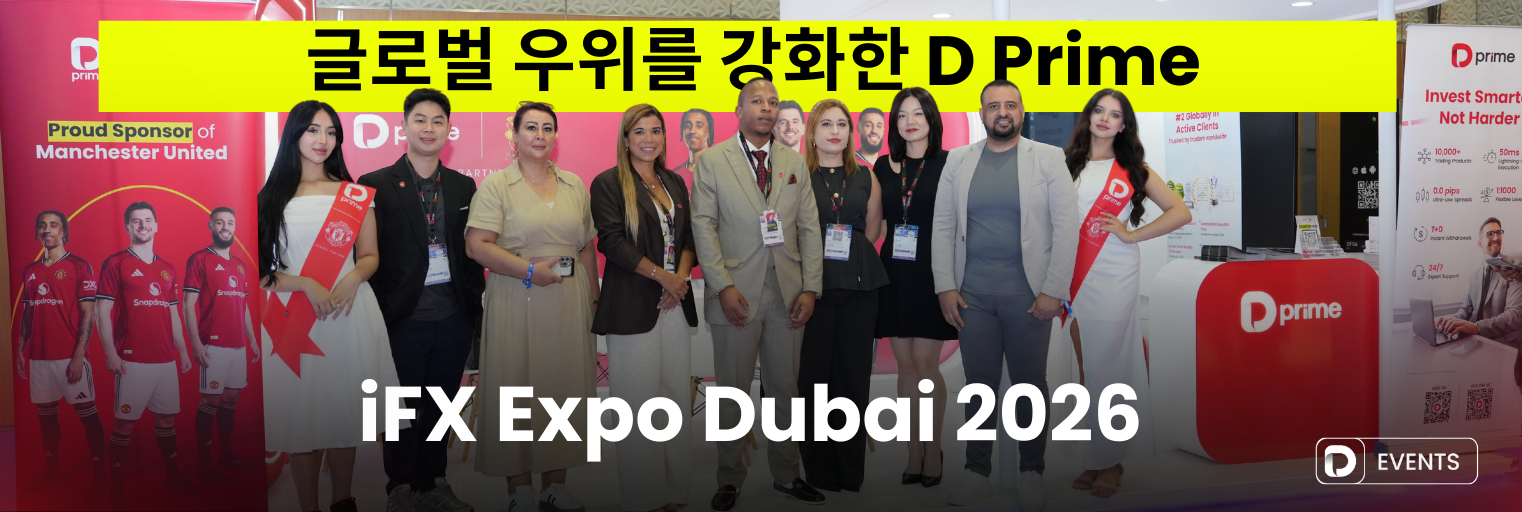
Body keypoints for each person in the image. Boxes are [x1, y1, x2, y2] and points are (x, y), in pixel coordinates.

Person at [932, 80, 1081, 510]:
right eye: (994, 105)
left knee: (1029, 386)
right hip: (972, 298)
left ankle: (1032, 472)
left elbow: (1066, 228)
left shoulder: (1048, 158)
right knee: (978, 387)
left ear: (1021, 111)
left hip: (1029, 298)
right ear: (981, 113)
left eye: (1010, 105)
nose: (1003, 112)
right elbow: (943, 226)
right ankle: (976, 473)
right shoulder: (958, 160)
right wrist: (945, 285)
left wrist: (1053, 291)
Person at [258, 100, 401, 512]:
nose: (323, 140)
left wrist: (352, 278)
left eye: (331, 132)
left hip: (346, 313)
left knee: (343, 412)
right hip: (293, 319)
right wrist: (305, 284)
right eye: (313, 130)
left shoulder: (353, 195)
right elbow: (261, 274)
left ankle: (343, 501)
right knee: (301, 418)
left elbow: (369, 256)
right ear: (294, 134)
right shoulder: (269, 197)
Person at [691, 77, 825, 511]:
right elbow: (704, 227)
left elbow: (809, 228)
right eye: (757, 101)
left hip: (788, 294)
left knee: (786, 388)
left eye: (773, 102)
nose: (767, 108)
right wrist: (722, 286)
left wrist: (811, 287)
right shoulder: (713, 161)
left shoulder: (793, 160)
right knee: (732, 392)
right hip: (736, 295)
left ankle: (788, 474)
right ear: (739, 110)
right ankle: (729, 479)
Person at [466, 101, 601, 512]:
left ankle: (554, 487)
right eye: (531, 127)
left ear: (555, 136)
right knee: (516, 386)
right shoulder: (496, 186)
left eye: (547, 128)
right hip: (517, 295)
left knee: (563, 389)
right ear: (515, 134)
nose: (540, 135)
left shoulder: (575, 185)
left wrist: (595, 298)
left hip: (569, 301)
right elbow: (477, 246)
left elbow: (587, 246)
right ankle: (520, 490)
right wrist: (528, 271)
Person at [356, 88, 484, 512]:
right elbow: (365, 255)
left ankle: (433, 483)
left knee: (440, 407)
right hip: (400, 319)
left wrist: (473, 312)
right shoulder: (374, 184)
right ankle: (399, 487)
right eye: (420, 120)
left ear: (449, 129)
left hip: (452, 317)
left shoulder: (464, 186)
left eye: (438, 121)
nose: (429, 128)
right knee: (400, 407)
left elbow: (470, 254)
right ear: (404, 126)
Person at [1058, 88, 1190, 498]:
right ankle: (1096, 457)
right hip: (1074, 276)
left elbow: (1181, 212)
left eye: (1114, 114)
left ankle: (1110, 462)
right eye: (1098, 110)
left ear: (1123, 125)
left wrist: (1132, 235)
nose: (1104, 118)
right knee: (1087, 370)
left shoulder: (1133, 169)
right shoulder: (1066, 164)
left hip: (1114, 273)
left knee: (1106, 368)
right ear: (1087, 117)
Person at [590, 104, 698, 512]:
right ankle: (644, 499)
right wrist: (662, 277)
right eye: (639, 132)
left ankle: (675, 492)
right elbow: (612, 242)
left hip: (674, 302)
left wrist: (679, 279)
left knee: (674, 399)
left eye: (655, 131)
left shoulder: (675, 181)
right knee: (637, 403)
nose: (648, 139)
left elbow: (689, 238)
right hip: (633, 305)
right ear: (625, 138)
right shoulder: (608, 183)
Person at [796, 99, 887, 494]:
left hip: (860, 289)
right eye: (826, 124)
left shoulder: (865, 176)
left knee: (852, 380)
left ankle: (849, 472)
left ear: (851, 133)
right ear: (812, 133)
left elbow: (872, 230)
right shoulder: (797, 175)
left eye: (842, 124)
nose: (835, 131)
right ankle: (819, 471)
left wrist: (849, 257)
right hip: (813, 291)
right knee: (813, 381)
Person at [871, 87, 956, 488]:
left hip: (933, 274)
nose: (910, 121)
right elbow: (877, 225)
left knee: (925, 364)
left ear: (931, 119)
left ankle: (933, 448)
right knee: (905, 366)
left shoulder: (949, 163)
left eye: (918, 113)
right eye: (902, 115)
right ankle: (913, 451)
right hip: (895, 273)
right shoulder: (883, 166)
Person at [97, 202, 202, 508]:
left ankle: (173, 479)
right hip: (132, 360)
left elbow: (173, 314)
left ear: (156, 225)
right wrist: (110, 353)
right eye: (136, 221)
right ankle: (116, 489)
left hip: (165, 360)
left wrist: (182, 351)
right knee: (125, 424)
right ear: (127, 227)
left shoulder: (167, 268)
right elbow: (103, 310)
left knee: (167, 419)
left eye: (147, 220)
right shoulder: (115, 263)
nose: (142, 225)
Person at [17, 210, 107, 501]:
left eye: (53, 225)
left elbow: (88, 314)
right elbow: (28, 314)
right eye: (42, 225)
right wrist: (21, 349)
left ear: (63, 232)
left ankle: (101, 478)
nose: (47, 230)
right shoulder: (30, 270)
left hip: (69, 357)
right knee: (47, 417)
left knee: (88, 416)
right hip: (39, 357)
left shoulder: (79, 266)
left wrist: (78, 356)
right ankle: (52, 473)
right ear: (37, 232)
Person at [183, 207, 258, 487]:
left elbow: (243, 305)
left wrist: (252, 339)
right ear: (211, 226)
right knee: (210, 400)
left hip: (238, 345)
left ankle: (226, 456)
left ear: (235, 227)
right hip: (212, 344)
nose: (225, 227)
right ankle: (204, 467)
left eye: (230, 223)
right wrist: (195, 342)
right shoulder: (200, 259)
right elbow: (188, 304)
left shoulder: (239, 264)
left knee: (231, 397)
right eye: (219, 222)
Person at [1437, 218, 1522, 345]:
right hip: (1479, 341)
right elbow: (1465, 310)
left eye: (1498, 233)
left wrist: (1476, 327)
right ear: (1480, 243)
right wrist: (1447, 322)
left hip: (1506, 344)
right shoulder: (1474, 276)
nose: (1495, 238)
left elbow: (1514, 315)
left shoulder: (1515, 267)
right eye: (1490, 234)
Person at [671, 108, 714, 175]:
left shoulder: (721, 170)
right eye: (687, 126)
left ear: (709, 132)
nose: (692, 131)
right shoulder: (675, 175)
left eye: (699, 126)